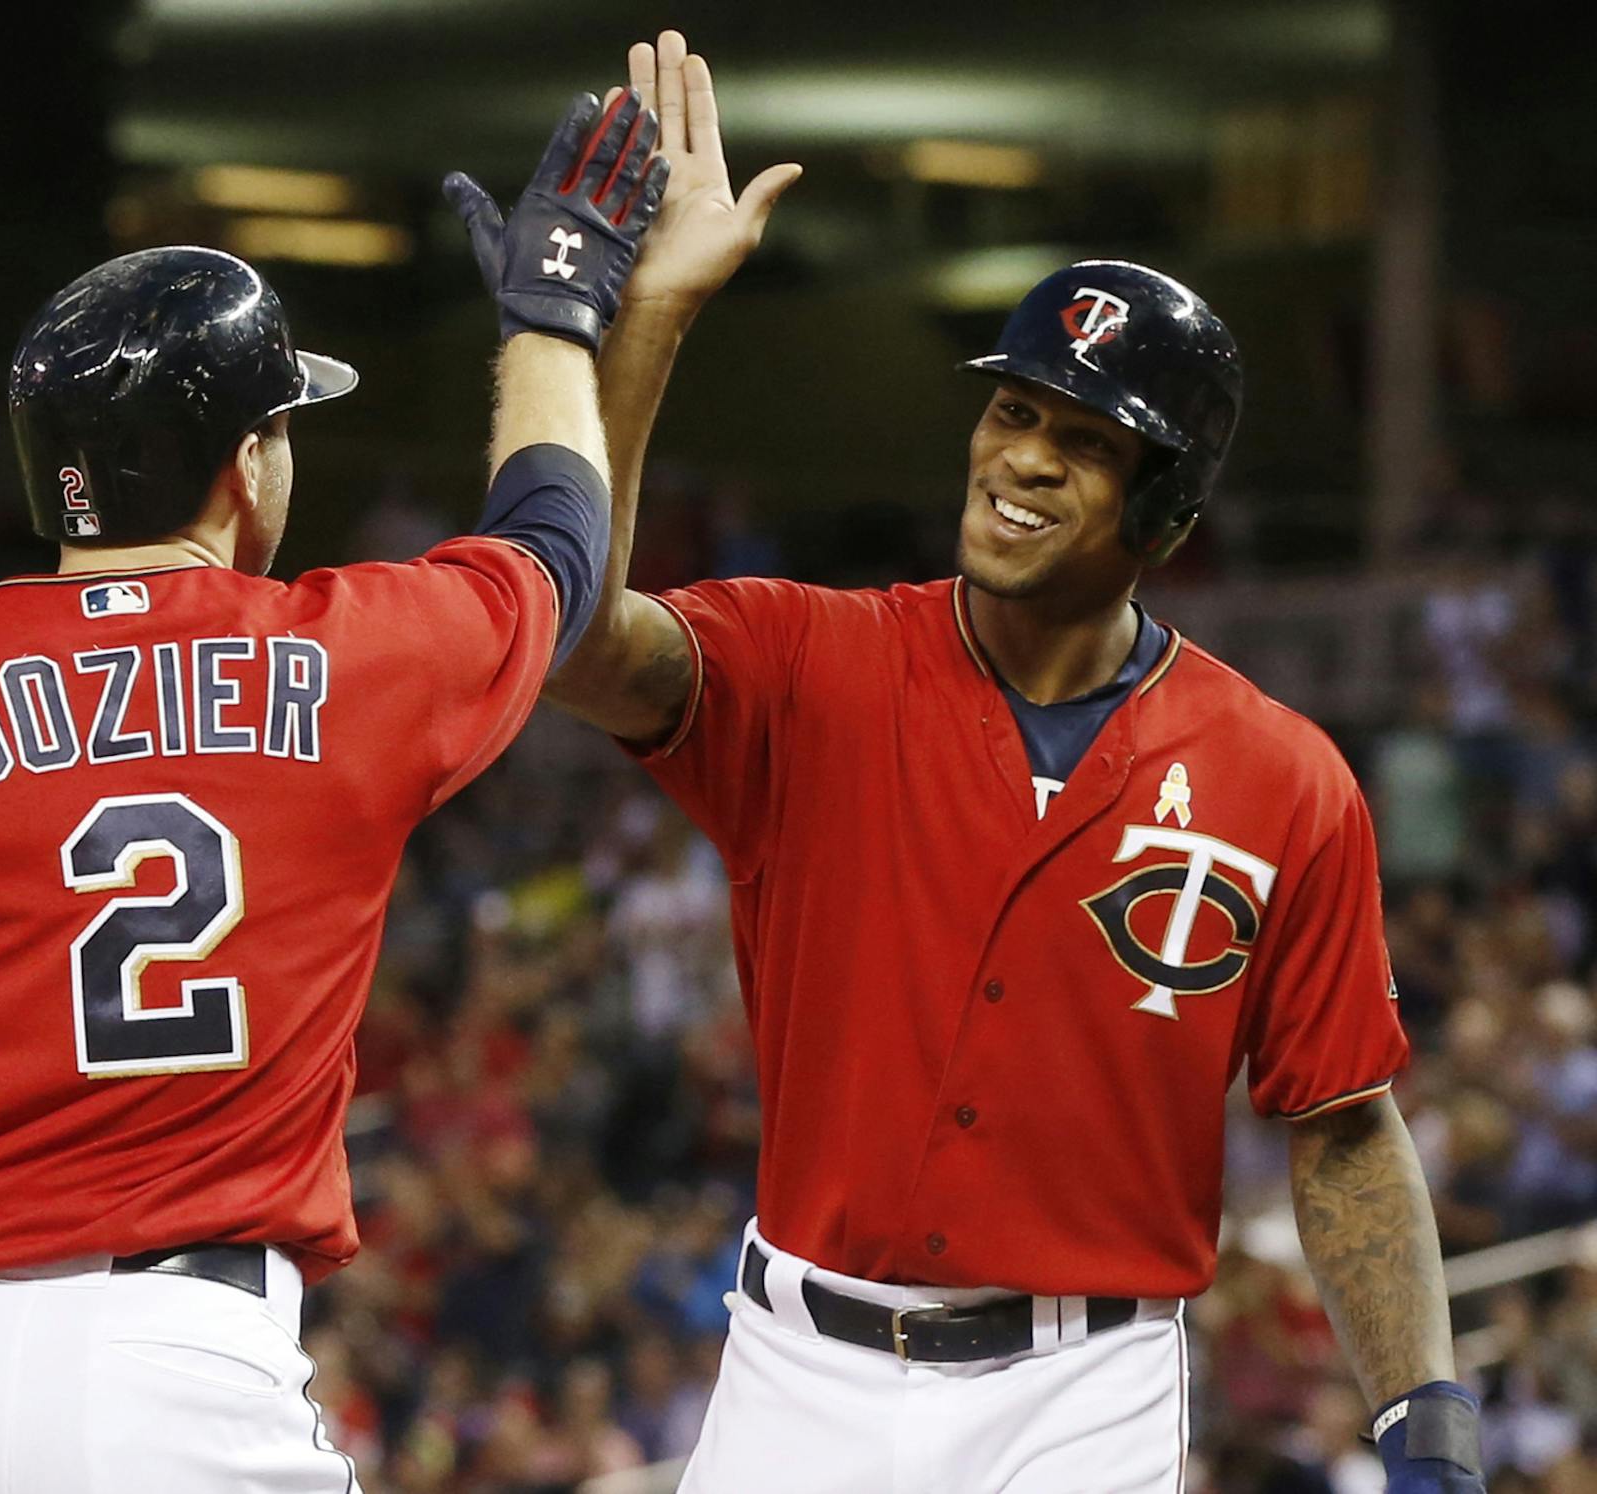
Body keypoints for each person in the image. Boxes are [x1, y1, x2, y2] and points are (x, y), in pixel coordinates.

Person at [0, 88, 668, 1494]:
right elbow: (553, 533)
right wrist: (554, 309)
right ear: (249, 463)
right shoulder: (354, 655)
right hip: (185, 1366)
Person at [540, 30, 1485, 1493]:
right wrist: (651, 316)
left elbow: (1344, 1128)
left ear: (1164, 512)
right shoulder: (814, 661)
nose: (1024, 458)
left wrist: (1423, 1409)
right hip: (798, 1366)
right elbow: (579, 641)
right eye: (1013, 410)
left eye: (1087, 440)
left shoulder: (1284, 777)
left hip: (1084, 1388)